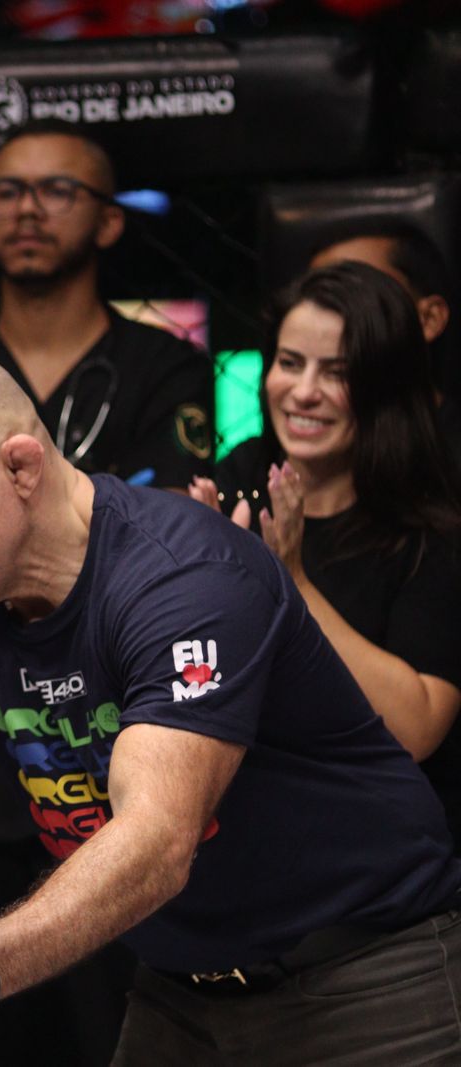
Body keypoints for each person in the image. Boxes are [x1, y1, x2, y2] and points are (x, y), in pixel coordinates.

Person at [0, 346, 461, 1066]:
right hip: (182, 991)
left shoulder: (182, 579)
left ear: (22, 467)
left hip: (364, 977)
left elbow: (156, 843)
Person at [191, 261, 461, 838]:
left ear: (387, 387)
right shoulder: (238, 476)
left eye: (336, 372)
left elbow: (416, 730)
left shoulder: (430, 527)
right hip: (243, 834)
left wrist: (290, 581)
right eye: (290, 363)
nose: (304, 392)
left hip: (377, 851)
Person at [0, 122, 213, 489]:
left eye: (57, 191)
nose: (27, 208)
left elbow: (170, 527)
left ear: (109, 222)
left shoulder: (167, 367)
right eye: (8, 192)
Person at [306, 221, 461, 448]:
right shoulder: (260, 460)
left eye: (358, 292)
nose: (330, 317)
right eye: (320, 297)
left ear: (429, 319)